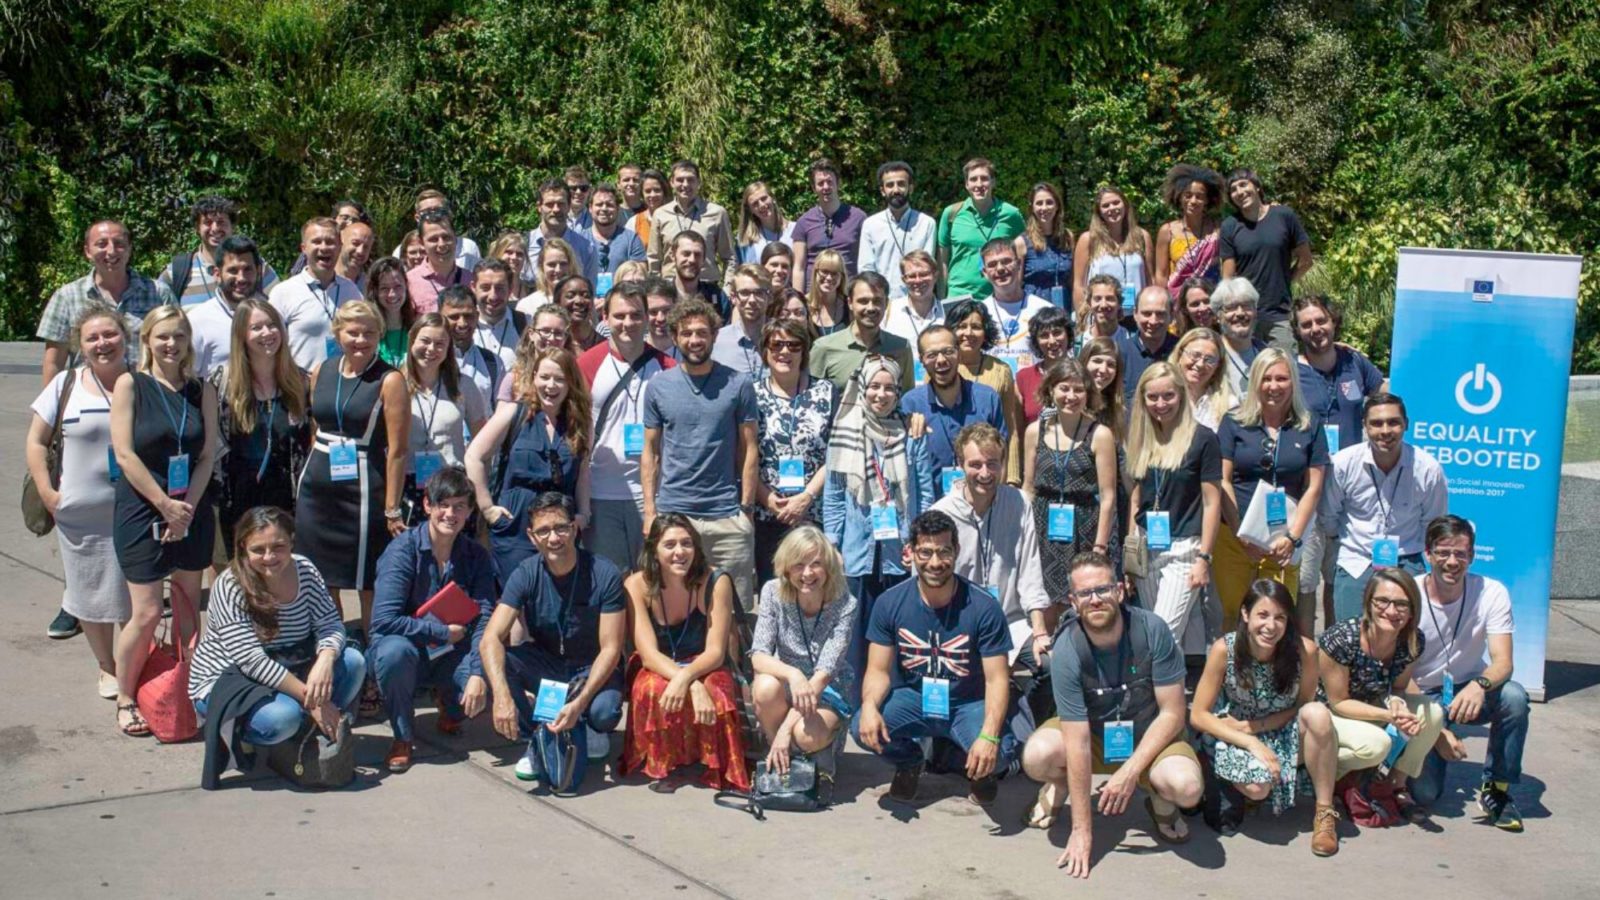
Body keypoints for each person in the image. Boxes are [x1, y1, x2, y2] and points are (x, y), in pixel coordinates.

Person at [1021, 552, 1203, 874]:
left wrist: (1129, 772)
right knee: (1037, 755)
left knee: (1187, 788)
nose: (1095, 600)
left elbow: (1173, 713)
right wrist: (1082, 831)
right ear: (1073, 602)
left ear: (1119, 590)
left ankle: (1160, 798)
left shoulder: (1153, 631)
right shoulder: (1066, 649)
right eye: (1085, 594)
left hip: (1150, 735)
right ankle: (1060, 784)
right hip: (1092, 737)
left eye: (1103, 590)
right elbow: (1076, 741)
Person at [851, 511, 1020, 805]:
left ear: (956, 551)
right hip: (915, 699)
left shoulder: (983, 607)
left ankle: (982, 772)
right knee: (861, 727)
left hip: (968, 704)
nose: (935, 562)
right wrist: (868, 706)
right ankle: (909, 762)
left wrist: (989, 736)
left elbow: (997, 678)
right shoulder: (890, 603)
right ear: (910, 553)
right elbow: (878, 670)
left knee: (1000, 753)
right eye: (925, 552)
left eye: (944, 552)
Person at [190, 508, 365, 783]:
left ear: (291, 542)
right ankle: (253, 735)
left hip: (291, 660)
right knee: (283, 718)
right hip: (233, 676)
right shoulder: (229, 585)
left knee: (354, 661)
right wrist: (313, 702)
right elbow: (252, 662)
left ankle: (306, 731)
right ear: (243, 548)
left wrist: (325, 659)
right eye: (259, 549)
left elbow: (330, 623)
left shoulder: (304, 569)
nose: (269, 557)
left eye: (278, 547)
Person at [467, 492, 627, 789]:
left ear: (574, 529)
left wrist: (579, 703)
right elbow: (490, 638)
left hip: (590, 668)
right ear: (532, 536)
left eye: (561, 527)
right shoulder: (526, 573)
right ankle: (539, 735)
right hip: (549, 664)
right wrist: (501, 697)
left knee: (604, 712)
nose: (554, 538)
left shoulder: (604, 573)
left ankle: (585, 723)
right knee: (500, 665)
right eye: (544, 531)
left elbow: (611, 649)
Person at [110, 305, 217, 736]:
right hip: (142, 508)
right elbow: (124, 454)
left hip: (190, 507)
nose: (171, 345)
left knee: (190, 607)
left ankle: (187, 687)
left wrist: (186, 507)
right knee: (149, 612)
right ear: (147, 341)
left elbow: (207, 453)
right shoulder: (130, 384)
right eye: (163, 337)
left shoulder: (201, 390)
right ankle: (124, 694)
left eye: (178, 336)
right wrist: (164, 505)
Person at [27, 305, 133, 696]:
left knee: (137, 594)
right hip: (81, 513)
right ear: (81, 346)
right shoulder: (66, 384)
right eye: (93, 338)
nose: (103, 343)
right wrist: (48, 494)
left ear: (125, 337)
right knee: (90, 592)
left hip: (135, 511)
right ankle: (107, 666)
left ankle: (137, 662)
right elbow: (36, 441)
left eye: (110, 335)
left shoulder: (141, 381)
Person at [1190, 580, 1339, 855]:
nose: (1271, 626)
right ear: (1246, 615)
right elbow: (1198, 715)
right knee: (1258, 787)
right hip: (1235, 732)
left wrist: (1257, 727)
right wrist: (1250, 741)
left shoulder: (1304, 651)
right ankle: (1231, 780)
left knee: (1318, 714)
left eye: (1280, 617)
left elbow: (1304, 705)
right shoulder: (1226, 649)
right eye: (1262, 615)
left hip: (1279, 728)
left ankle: (1325, 813)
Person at [293, 300, 408, 640]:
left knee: (366, 581)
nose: (361, 340)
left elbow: (398, 450)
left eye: (369, 333)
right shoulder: (322, 371)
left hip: (363, 489)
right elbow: (316, 426)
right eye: (353, 332)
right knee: (321, 578)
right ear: (337, 333)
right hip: (317, 488)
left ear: (379, 335)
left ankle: (374, 659)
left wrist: (392, 506)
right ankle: (335, 648)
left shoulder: (389, 379)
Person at [368, 467, 495, 772]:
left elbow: (485, 616)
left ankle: (449, 706)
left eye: (460, 506)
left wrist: (479, 672)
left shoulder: (476, 556)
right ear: (427, 505)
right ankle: (402, 735)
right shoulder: (402, 551)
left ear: (469, 511)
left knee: (491, 665)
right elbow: (382, 621)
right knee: (393, 653)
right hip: (409, 648)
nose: (451, 513)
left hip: (451, 651)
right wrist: (437, 631)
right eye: (443, 505)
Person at [822, 354, 934, 692]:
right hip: (857, 553)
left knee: (899, 632)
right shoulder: (843, 434)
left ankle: (895, 700)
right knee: (856, 634)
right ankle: (857, 705)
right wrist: (834, 545)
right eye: (874, 387)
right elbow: (833, 496)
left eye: (888, 388)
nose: (880, 395)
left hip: (899, 552)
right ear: (863, 389)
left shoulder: (912, 435)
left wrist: (917, 543)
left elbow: (925, 494)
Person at [1409, 515, 1528, 830]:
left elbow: (1503, 661)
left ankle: (1497, 790)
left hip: (1467, 688)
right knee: (1425, 794)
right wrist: (1436, 730)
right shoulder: (1410, 594)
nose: (1452, 561)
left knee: (1514, 697)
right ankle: (1394, 762)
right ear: (1428, 553)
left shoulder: (1491, 592)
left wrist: (1478, 685)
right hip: (1419, 695)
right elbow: (1396, 675)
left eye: (1460, 554)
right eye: (1444, 552)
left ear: (1472, 556)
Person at [640, 299, 760, 606]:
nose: (695, 340)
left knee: (736, 611)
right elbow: (651, 452)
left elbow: (748, 449)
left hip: (726, 518)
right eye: (687, 333)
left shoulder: (738, 384)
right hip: (675, 515)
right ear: (676, 337)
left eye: (702, 333)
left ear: (714, 335)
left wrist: (745, 510)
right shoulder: (658, 387)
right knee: (677, 606)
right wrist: (651, 513)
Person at [621, 515, 750, 792]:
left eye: (686, 543)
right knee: (652, 687)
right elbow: (647, 654)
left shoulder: (716, 580)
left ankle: (711, 762)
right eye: (669, 545)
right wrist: (689, 684)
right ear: (654, 549)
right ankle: (663, 760)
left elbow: (716, 651)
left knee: (716, 688)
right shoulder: (636, 584)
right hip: (659, 662)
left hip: (703, 660)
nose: (679, 552)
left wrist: (687, 678)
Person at [1319, 568, 1445, 823]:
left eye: (1401, 604)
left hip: (1375, 706)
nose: (1391, 611)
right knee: (1377, 744)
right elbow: (1338, 702)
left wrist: (1398, 705)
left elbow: (1398, 686)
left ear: (1412, 610)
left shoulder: (1412, 639)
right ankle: (1320, 774)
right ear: (1368, 603)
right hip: (1331, 713)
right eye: (1382, 601)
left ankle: (1395, 784)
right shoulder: (1342, 638)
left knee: (1432, 714)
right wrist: (1388, 715)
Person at [1215, 349, 1327, 628]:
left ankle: (1274, 673)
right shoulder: (1234, 422)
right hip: (1234, 538)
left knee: (1276, 618)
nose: (1273, 386)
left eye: (1281, 378)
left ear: (1293, 383)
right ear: (1255, 381)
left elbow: (1313, 487)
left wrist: (1292, 538)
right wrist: (1242, 534)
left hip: (1282, 540)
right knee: (1235, 614)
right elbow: (1222, 479)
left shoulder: (1309, 425)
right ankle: (1233, 671)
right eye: (1266, 379)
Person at [1293, 294, 1387, 627]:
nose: (1315, 329)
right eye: (1307, 324)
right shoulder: (1290, 370)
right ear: (1298, 331)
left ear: (1333, 322)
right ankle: (1306, 660)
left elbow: (1385, 400)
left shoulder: (1355, 363)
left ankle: (1334, 654)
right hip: (1306, 488)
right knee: (1305, 581)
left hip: (1350, 491)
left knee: (1339, 577)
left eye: (1321, 321)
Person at [468, 347, 592, 583]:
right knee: (516, 596)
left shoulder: (580, 423)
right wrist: (487, 507)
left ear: (570, 383)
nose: (551, 385)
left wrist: (584, 513)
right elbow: (474, 456)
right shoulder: (515, 413)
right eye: (544, 377)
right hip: (516, 525)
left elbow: (583, 471)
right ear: (534, 377)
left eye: (559, 379)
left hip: (560, 527)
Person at [578, 282, 677, 573]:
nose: (627, 323)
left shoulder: (667, 366)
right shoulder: (588, 363)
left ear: (647, 318)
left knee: (651, 578)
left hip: (652, 495)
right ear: (605, 318)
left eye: (635, 315)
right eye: (619, 316)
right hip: (601, 492)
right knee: (610, 581)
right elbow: (579, 431)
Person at [1325, 392, 1448, 622]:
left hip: (1407, 559)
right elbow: (1329, 515)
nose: (1385, 431)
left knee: (1406, 641)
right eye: (1376, 423)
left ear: (1406, 425)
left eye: (1393, 422)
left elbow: (1433, 524)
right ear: (1364, 426)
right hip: (1356, 559)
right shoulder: (1343, 463)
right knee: (1349, 639)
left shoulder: (1428, 470)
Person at [1126, 361, 1221, 652]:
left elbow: (1212, 501)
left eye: (1168, 396)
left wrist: (1204, 557)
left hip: (1185, 548)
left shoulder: (1203, 438)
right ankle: (1168, 695)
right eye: (1152, 397)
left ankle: (1159, 696)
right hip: (1147, 546)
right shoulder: (1141, 437)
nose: (1160, 404)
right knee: (1155, 631)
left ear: (1181, 395)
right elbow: (1136, 497)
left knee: (1164, 633)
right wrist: (1130, 554)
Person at [209, 299, 311, 557]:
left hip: (286, 500)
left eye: (272, 325)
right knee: (240, 578)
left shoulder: (300, 382)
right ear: (241, 335)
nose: (267, 333)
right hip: (237, 500)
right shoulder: (221, 383)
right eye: (256, 328)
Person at [751, 526, 858, 773]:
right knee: (765, 687)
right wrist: (793, 675)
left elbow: (826, 671)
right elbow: (759, 655)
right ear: (787, 567)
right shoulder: (772, 592)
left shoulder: (845, 603)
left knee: (806, 735)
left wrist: (785, 731)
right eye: (799, 565)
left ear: (828, 567)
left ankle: (798, 746)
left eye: (816, 564)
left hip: (827, 687)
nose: (807, 573)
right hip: (789, 681)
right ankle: (780, 753)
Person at [931, 423, 1049, 641]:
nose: (985, 473)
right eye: (975, 465)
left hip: (1011, 625)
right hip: (958, 625)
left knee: (1049, 664)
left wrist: (1040, 632)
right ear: (960, 464)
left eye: (992, 464)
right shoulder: (940, 515)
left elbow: (1030, 572)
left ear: (1003, 464)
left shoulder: (1018, 502)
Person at [1022, 357, 1119, 607]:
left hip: (1085, 527)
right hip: (1043, 527)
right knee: (1045, 602)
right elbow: (1029, 487)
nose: (1071, 396)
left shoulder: (1100, 434)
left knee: (1085, 600)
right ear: (1050, 390)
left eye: (1079, 390)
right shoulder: (1035, 431)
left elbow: (1108, 497)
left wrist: (1100, 546)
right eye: (1064, 388)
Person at [38, 220, 176, 387]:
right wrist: (52, 407)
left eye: (119, 244)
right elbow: (54, 362)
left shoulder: (159, 293)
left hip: (145, 396)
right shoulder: (66, 297)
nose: (111, 251)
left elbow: (178, 346)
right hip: (88, 397)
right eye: (101, 244)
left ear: (129, 249)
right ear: (88, 251)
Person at [752, 319, 835, 584]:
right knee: (774, 590)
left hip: (815, 511)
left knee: (814, 589)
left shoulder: (827, 391)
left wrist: (807, 496)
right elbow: (742, 455)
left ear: (804, 351)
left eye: (793, 345)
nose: (784, 352)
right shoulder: (750, 394)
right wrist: (768, 500)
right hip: (769, 514)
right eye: (776, 344)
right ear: (765, 350)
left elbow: (837, 452)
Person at [900, 326, 1008, 499]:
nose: (941, 360)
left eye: (948, 351)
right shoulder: (911, 404)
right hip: (932, 508)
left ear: (959, 353)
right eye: (932, 355)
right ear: (921, 360)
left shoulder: (987, 398)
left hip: (981, 504)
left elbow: (1002, 457)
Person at [401, 314, 489, 517]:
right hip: (408, 483)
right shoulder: (396, 383)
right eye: (425, 341)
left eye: (440, 344)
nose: (431, 349)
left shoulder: (463, 385)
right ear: (412, 340)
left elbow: (481, 441)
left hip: (453, 486)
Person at [1219, 169, 1313, 350]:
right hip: (1245, 316)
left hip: (1280, 315)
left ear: (1257, 187)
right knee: (1245, 375)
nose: (1239, 192)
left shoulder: (1284, 216)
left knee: (1284, 372)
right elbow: (1228, 278)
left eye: (1243, 184)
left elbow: (1306, 260)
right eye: (1233, 189)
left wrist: (1285, 280)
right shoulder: (1230, 226)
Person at [271, 217, 364, 371]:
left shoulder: (351, 291)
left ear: (340, 247)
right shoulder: (283, 293)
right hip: (301, 388)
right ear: (304, 248)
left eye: (330, 242)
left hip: (344, 385)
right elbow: (272, 346)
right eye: (317, 241)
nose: (324, 247)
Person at [947, 299, 1024, 485]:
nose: (968, 333)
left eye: (976, 327)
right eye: (961, 326)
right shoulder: (942, 368)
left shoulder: (1000, 371)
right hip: (952, 471)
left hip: (989, 470)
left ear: (985, 332)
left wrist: (1011, 478)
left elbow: (1010, 429)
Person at [159, 197, 279, 308]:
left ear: (232, 226)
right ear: (197, 227)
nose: (215, 228)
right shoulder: (175, 273)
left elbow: (280, 308)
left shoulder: (258, 269)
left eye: (221, 222)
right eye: (208, 222)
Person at [810, 271, 914, 394]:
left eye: (877, 301)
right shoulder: (824, 348)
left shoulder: (901, 347)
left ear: (886, 304)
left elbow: (907, 398)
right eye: (863, 301)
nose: (870, 308)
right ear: (850, 303)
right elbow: (811, 401)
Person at [936, 157, 1025, 300]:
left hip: (1000, 296)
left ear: (993, 182)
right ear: (966, 184)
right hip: (960, 295)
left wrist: (1017, 289)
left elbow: (1023, 255)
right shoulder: (951, 214)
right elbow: (943, 261)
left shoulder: (1011, 214)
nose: (979, 184)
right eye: (973, 179)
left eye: (984, 178)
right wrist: (942, 296)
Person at [188, 235, 269, 378]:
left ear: (258, 271)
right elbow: (187, 380)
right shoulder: (197, 322)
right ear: (217, 274)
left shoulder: (271, 316)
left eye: (247, 269)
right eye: (233, 270)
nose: (241, 278)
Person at [646, 159, 735, 284]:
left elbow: (730, 257)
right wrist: (657, 291)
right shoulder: (660, 215)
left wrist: (727, 288)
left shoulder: (717, 213)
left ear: (698, 182)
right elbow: (654, 259)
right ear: (671, 182)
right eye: (680, 180)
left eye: (691, 180)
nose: (685, 184)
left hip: (706, 287)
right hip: (671, 288)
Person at [858, 160, 936, 299]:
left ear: (910, 188)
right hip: (882, 302)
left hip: (918, 301)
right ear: (882, 190)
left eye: (901, 184)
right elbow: (866, 269)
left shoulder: (926, 223)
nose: (896, 190)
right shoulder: (870, 225)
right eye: (890, 185)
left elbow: (926, 269)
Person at [979, 238, 1054, 374]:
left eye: (1006, 261)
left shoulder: (1045, 309)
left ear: (1019, 264)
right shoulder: (978, 313)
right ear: (984, 272)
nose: (1000, 268)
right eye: (992, 264)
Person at [1073, 186, 1152, 314]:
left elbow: (1150, 280)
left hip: (1137, 316)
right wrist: (1083, 319)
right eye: (1106, 205)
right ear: (1099, 211)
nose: (1112, 208)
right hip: (1101, 316)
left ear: (1125, 205)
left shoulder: (1142, 237)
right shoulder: (1088, 239)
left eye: (1116, 203)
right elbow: (1079, 285)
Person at [791, 158, 868, 287]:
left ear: (839, 184)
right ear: (813, 188)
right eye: (820, 183)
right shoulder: (803, 222)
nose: (825, 187)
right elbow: (798, 267)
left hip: (847, 295)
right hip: (814, 297)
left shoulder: (859, 218)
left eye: (830, 182)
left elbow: (866, 262)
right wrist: (798, 300)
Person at [1154, 165, 1224, 294]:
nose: (1193, 201)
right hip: (1178, 304)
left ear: (1207, 200)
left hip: (1211, 300)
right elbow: (1161, 275)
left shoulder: (1217, 229)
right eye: (1188, 195)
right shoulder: (1168, 231)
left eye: (1199, 196)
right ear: (1180, 197)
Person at [522, 179, 596, 287]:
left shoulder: (586, 248)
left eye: (561, 204)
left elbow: (590, 291)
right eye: (550, 204)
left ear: (569, 206)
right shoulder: (524, 245)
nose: (556, 209)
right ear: (539, 207)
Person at [880, 249, 944, 375]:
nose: (918, 280)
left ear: (935, 275)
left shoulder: (947, 312)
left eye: (924, 274)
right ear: (904, 280)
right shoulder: (889, 310)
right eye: (912, 276)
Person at [1013, 182, 1074, 309]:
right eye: (1039, 203)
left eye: (1049, 202)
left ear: (1057, 206)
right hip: (1034, 309)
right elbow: (1016, 286)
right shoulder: (1021, 242)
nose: (1044, 208)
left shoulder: (1068, 237)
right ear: (1032, 208)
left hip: (1064, 308)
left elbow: (1073, 280)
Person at [1114, 286, 1178, 405]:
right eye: (1147, 313)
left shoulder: (1182, 352)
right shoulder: (1119, 353)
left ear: (1171, 316)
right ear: (1135, 314)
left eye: (1160, 314)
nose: (1153, 321)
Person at [440, 288, 501, 407]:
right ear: (440, 317)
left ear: (477, 316)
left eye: (468, 316)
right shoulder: (430, 360)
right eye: (454, 317)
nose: (462, 323)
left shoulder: (492, 362)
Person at [390, 189, 482, 269]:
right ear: (417, 218)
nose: (433, 215)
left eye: (439, 210)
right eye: (427, 212)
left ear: (449, 214)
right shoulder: (402, 251)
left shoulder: (468, 248)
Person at [406, 208, 473, 316]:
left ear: (456, 239)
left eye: (446, 237)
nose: (441, 244)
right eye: (433, 239)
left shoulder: (471, 280)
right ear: (422, 242)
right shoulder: (409, 282)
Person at [1211, 276, 1268, 399]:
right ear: (1218, 316)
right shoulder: (1211, 355)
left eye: (1247, 305)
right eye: (1231, 307)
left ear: (1256, 312)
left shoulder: (1266, 353)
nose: (1240, 313)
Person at [1014, 307, 1072, 426]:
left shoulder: (1082, 373)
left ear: (1068, 334)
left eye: (1057, 332)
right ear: (1036, 341)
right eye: (1044, 335)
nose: (1052, 341)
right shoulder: (1023, 378)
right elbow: (1018, 430)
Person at [1169, 326, 1234, 431]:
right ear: (1179, 355)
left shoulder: (1229, 405)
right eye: (1195, 355)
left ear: (1218, 366)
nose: (1200, 364)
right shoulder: (1163, 398)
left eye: (1209, 360)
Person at [585, 183, 647, 293]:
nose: (604, 209)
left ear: (618, 208)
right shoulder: (580, 239)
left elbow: (640, 278)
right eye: (599, 204)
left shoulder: (632, 239)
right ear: (590, 208)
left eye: (609, 205)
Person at [711, 265, 769, 376]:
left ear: (769, 297)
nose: (752, 300)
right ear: (733, 297)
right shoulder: (717, 341)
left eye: (759, 293)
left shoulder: (783, 341)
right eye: (745, 293)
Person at [471, 259, 524, 376]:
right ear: (473, 287)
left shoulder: (525, 325)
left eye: (500, 288)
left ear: (510, 289)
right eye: (485, 288)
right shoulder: (461, 327)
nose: (493, 296)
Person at [666, 229, 730, 321]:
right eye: (686, 254)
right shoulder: (662, 295)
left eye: (697, 254)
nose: (692, 259)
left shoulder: (717, 297)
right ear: (673, 255)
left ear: (704, 259)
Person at [734, 179, 794, 268]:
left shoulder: (795, 230)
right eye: (755, 204)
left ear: (772, 198)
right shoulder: (745, 240)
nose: (761, 205)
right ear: (750, 210)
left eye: (764, 198)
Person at [366, 257, 414, 366]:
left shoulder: (416, 329)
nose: (392, 294)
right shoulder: (367, 332)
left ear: (406, 286)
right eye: (384, 288)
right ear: (375, 291)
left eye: (398, 286)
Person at [1078, 336, 1126, 442]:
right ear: (1084, 362)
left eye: (1111, 364)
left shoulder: (1116, 410)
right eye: (1097, 361)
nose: (1103, 370)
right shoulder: (1065, 404)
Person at [514, 236, 575, 315]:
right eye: (551, 264)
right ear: (541, 266)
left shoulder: (580, 303)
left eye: (563, 264)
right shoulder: (527, 305)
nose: (558, 270)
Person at [804, 248, 850, 337]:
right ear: (815, 273)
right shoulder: (803, 304)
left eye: (834, 273)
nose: (829, 278)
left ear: (841, 277)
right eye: (824, 271)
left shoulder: (849, 306)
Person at [1073, 273, 1123, 355]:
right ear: (1089, 303)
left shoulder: (1128, 339)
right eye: (1098, 299)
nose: (1103, 305)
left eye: (1109, 299)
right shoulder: (1078, 345)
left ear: (1119, 303)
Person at [553, 275, 603, 351]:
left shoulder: (604, 345)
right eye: (570, 296)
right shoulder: (552, 344)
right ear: (557, 303)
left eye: (586, 296)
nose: (579, 301)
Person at [625, 167, 669, 245]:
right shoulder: (634, 223)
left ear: (664, 191)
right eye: (648, 191)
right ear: (642, 194)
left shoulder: (675, 219)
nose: (652, 195)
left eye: (657, 190)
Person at [487, 230, 536, 298]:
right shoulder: (487, 287)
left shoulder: (531, 291)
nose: (514, 257)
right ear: (497, 254)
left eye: (519, 254)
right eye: (509, 252)